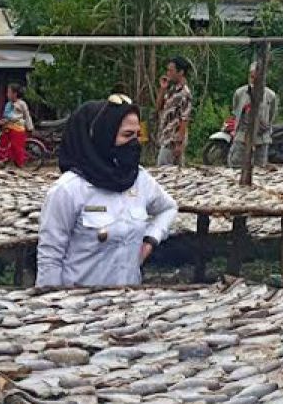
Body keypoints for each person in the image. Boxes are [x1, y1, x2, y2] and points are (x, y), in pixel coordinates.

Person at [38, 95, 179, 288]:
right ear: (104, 136)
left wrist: (150, 240)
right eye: (127, 135)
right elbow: (50, 257)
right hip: (79, 306)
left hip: (129, 300)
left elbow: (168, 208)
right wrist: (51, 306)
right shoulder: (69, 190)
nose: (135, 143)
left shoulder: (139, 179)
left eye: (138, 135)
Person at [228, 62, 278, 169]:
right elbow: (236, 111)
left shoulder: (270, 95)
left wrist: (264, 126)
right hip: (242, 135)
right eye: (252, 77)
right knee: (236, 165)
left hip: (262, 137)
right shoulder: (240, 93)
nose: (254, 80)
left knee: (260, 168)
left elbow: (271, 115)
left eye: (258, 78)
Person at [155, 57, 193, 167]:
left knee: (163, 168)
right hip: (165, 136)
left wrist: (179, 143)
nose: (168, 73)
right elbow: (158, 107)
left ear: (180, 72)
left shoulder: (184, 93)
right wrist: (163, 88)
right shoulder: (172, 90)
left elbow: (184, 119)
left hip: (173, 140)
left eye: (171, 71)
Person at [0, 82, 34, 168]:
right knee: (4, 144)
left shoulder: (22, 104)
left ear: (15, 94)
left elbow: (27, 116)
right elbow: (6, 116)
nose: (7, 94)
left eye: (9, 92)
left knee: (17, 147)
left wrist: (30, 128)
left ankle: (20, 164)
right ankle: (6, 160)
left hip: (17, 129)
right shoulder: (8, 104)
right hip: (8, 128)